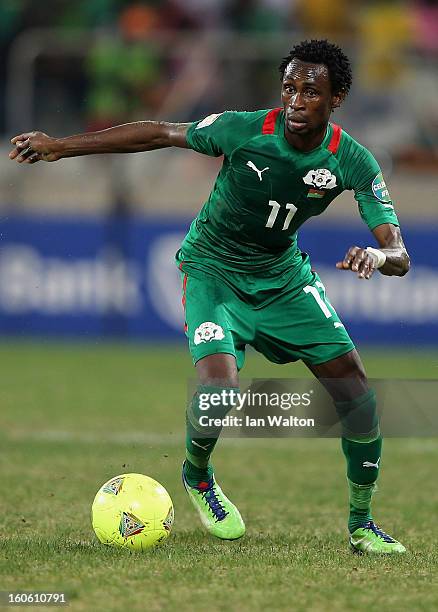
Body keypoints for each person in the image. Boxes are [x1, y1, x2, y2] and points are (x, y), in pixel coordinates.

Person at [9, 39, 410, 554]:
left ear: (337, 99)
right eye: (288, 87)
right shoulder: (244, 129)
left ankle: (361, 524)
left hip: (283, 278)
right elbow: (157, 133)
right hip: (212, 270)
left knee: (356, 394)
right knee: (219, 390)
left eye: (310, 91)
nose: (294, 101)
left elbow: (398, 253)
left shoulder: (353, 160)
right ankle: (197, 475)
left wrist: (378, 258)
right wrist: (62, 146)